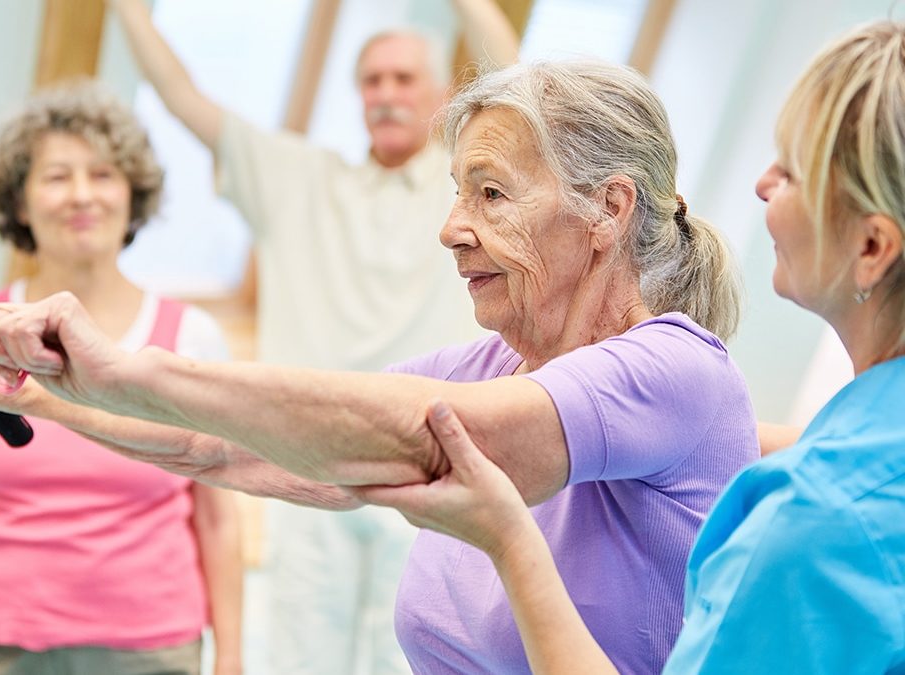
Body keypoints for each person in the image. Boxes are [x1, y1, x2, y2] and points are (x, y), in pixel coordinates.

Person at [0, 60, 761, 674]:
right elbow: (233, 445)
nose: (452, 226)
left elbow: (419, 436)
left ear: (609, 208)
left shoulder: (673, 368)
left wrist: (123, 367)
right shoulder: (495, 361)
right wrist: (43, 396)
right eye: (457, 191)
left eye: (490, 192)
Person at [356, 20, 905, 674]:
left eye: (791, 170)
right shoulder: (852, 451)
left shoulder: (810, 513)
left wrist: (508, 537)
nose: (761, 184)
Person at [110, 2, 519, 672]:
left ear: (443, 94)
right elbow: (183, 100)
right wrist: (128, 13)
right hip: (307, 465)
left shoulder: (470, 189)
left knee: (418, 659)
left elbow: (513, 79)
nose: (386, 94)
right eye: (372, 80)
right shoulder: (297, 179)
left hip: (434, 465)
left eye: (404, 79)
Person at [0, 84, 243, 675]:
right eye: (57, 177)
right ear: (20, 203)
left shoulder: (194, 337)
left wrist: (231, 659)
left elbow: (216, 515)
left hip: (152, 648)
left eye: (103, 174)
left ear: (132, 196)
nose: (82, 195)